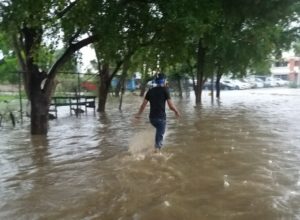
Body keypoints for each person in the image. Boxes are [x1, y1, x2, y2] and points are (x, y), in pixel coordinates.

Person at [135, 73, 180, 152]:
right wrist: (176, 111)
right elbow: (170, 106)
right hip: (161, 119)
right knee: (158, 143)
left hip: (152, 119)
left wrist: (138, 115)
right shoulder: (165, 90)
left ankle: (151, 149)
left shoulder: (150, 91)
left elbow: (143, 105)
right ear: (164, 81)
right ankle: (156, 155)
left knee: (158, 133)